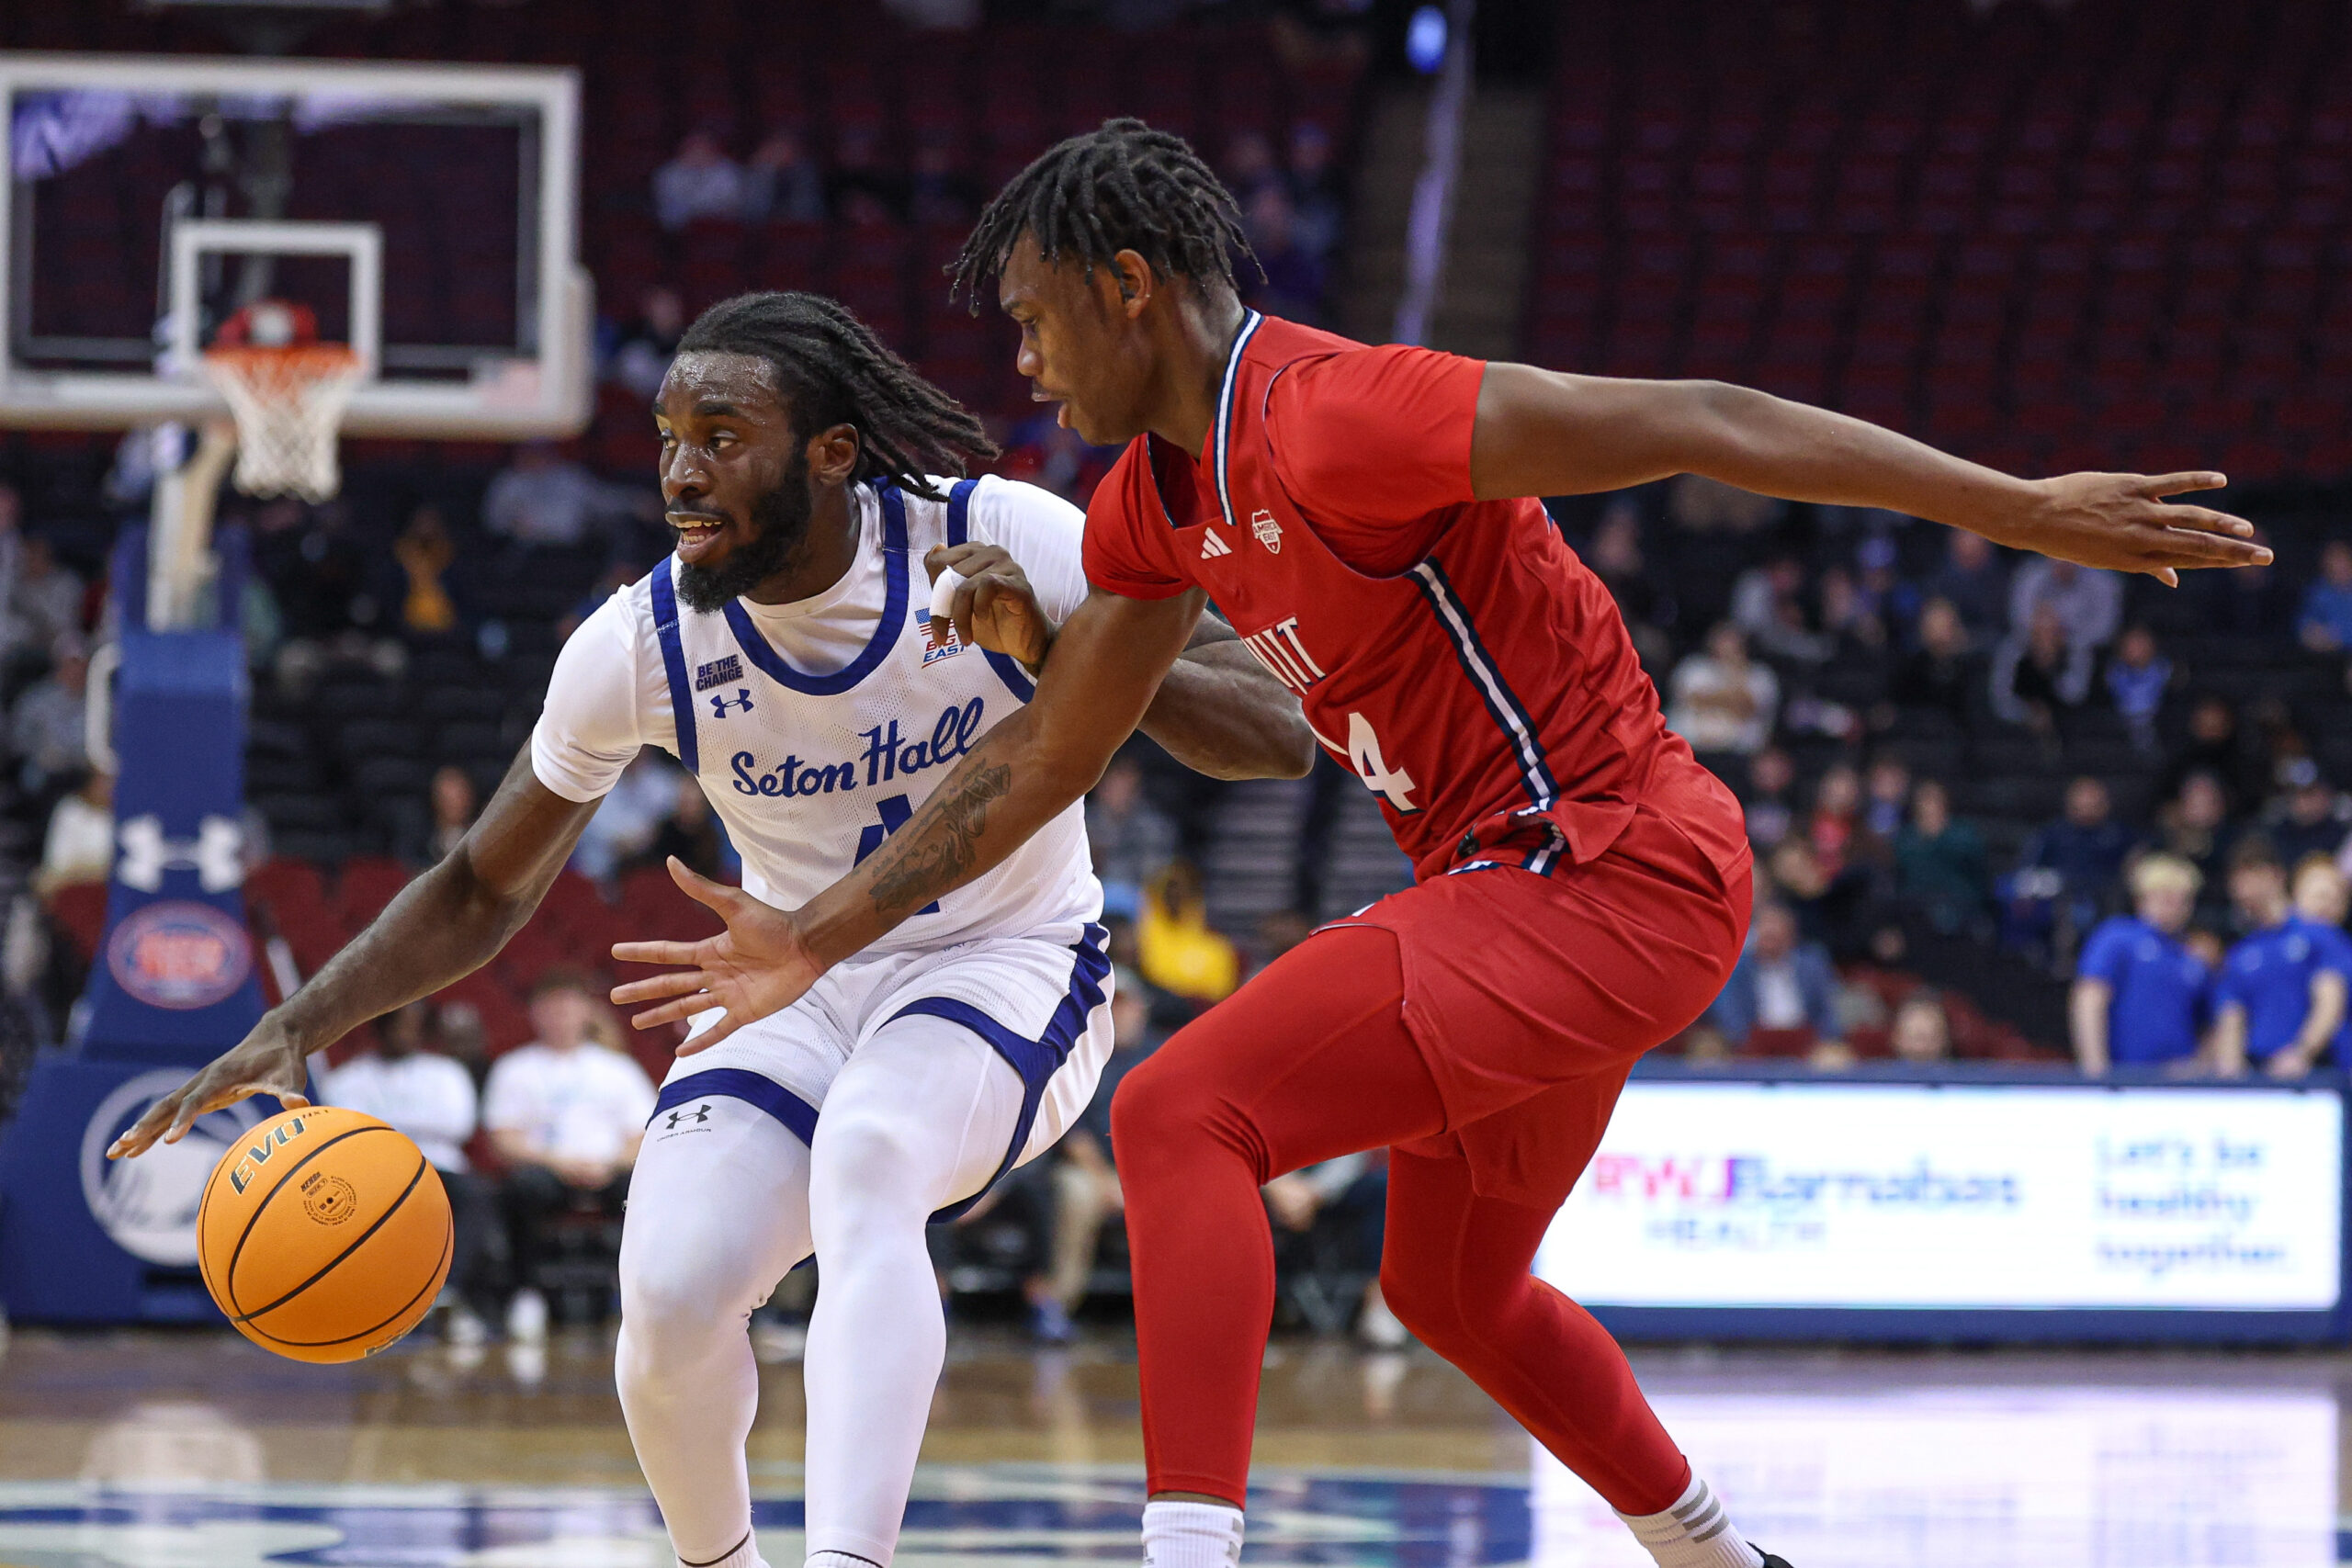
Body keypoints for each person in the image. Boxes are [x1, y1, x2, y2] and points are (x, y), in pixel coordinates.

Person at [600, 121, 2261, 1568]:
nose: (1021, 362)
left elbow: (1698, 413)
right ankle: (1714, 1548)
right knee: (1453, 1289)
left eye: (1033, 317)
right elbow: (1051, 756)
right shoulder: (1154, 503)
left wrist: (2020, 508)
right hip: (1518, 890)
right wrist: (815, 935)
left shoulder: (1341, 416)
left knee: (1185, 1109)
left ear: (1126, 285)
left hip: (1611, 859)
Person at [107, 288, 1308, 1568]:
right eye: (672, 434)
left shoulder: (998, 531)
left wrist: (1075, 644)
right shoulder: (643, 641)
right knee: (670, 1296)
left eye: (723, 435)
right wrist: (294, 1025)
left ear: (832, 451)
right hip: (795, 981)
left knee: (872, 1150)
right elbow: (481, 886)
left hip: (1005, 962)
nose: (681, 470)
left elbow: (1279, 733)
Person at [483, 970, 658, 1340]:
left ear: (586, 1012)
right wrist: (559, 1164)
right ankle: (525, 1291)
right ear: (536, 1013)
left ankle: (633, 1294)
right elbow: (503, 1138)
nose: (561, 1016)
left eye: (569, 1006)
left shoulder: (617, 1069)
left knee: (641, 1192)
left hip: (608, 1171)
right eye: (552, 1007)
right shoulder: (515, 1068)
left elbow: (642, 1134)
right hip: (546, 1172)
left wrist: (608, 1165)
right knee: (521, 1190)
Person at [325, 999, 497, 1339]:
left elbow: (457, 1123)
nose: (406, 1032)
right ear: (381, 1026)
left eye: (413, 1024)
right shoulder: (348, 1078)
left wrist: (386, 1125)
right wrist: (417, 1125)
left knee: (477, 1195)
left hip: (440, 1168)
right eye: (399, 1024)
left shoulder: (446, 1072)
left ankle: (445, 1293)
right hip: (375, 1171)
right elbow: (343, 1130)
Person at [2211, 845, 2348, 1079]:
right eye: (2237, 882)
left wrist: (2301, 1053)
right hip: (2261, 1076)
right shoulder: (2241, 954)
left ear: (2274, 876)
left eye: (2249, 878)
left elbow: (2330, 1001)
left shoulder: (2318, 935)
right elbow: (2231, 1018)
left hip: (2320, 1073)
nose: (2242, 891)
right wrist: (2232, 1076)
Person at [2070, 852, 2211, 1075]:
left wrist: (2200, 1067)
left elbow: (2210, 1021)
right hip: (2124, 1076)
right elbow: (2090, 998)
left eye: (2182, 898)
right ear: (2142, 898)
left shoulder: (2192, 957)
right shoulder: (2117, 936)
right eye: (2165, 895)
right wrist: (2095, 1069)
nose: (2174, 905)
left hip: (2178, 1081)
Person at [1706, 902, 1842, 1055]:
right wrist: (1746, 1043)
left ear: (1791, 934)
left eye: (1776, 932)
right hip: (1751, 1044)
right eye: (1766, 930)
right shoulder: (1736, 967)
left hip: (1807, 1044)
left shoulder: (1812, 964)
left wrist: (1824, 1040)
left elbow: (1827, 1010)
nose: (1771, 932)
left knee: (1834, 1057)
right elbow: (1729, 1012)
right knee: (1710, 1051)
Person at [1666, 621, 1779, 756]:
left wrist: (1735, 673)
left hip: (1740, 754)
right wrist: (1729, 699)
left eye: (1733, 639)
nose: (1728, 645)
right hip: (1691, 749)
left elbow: (1747, 707)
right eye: (1723, 638)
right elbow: (1696, 700)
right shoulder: (1693, 667)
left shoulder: (1760, 675)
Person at [35, 768, 113, 897]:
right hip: (73, 890)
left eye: (110, 781)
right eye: (101, 780)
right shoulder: (70, 810)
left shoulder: (127, 818)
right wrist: (97, 870)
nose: (106, 788)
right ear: (90, 781)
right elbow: (59, 866)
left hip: (109, 891)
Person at [653, 130, 746, 231]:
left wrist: (706, 213)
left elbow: (731, 204)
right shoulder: (667, 174)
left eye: (703, 149)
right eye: (693, 149)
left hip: (720, 226)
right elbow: (670, 207)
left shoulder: (729, 172)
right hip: (680, 229)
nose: (698, 153)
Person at [2299, 540, 2352, 652]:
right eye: (2333, 561)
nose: (2339, 567)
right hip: (2327, 659)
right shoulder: (2318, 592)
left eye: (2343, 560)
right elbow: (2305, 626)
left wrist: (2339, 637)